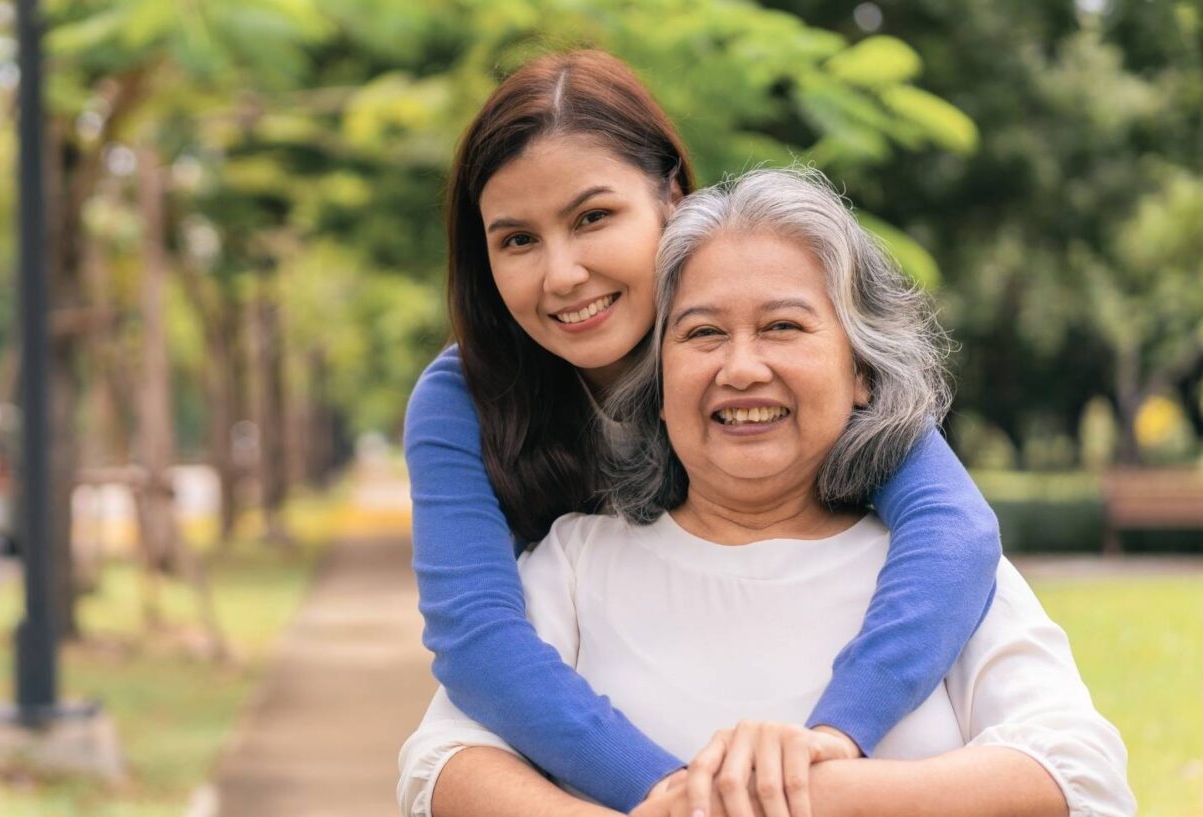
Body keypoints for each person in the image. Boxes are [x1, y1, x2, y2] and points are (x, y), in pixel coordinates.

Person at [399, 166, 1134, 817]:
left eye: (783, 326)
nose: (742, 367)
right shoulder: (577, 559)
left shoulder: (935, 572)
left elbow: (1084, 776)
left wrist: (815, 791)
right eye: (702, 333)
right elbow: (440, 767)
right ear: (655, 386)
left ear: (862, 373)